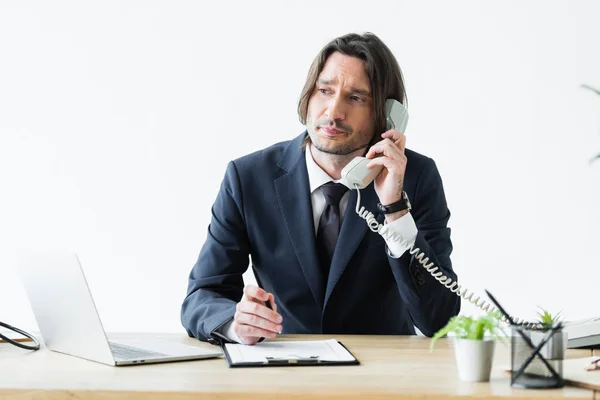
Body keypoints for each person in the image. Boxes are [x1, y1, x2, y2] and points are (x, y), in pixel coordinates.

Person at [181, 32, 460, 346]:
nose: (333, 111)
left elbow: (439, 319)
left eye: (356, 98)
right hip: (285, 371)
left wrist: (395, 209)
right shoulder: (248, 177)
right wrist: (237, 324)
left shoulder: (416, 177)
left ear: (386, 114)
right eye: (325, 90)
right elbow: (203, 294)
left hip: (381, 376)